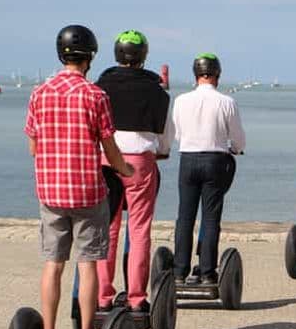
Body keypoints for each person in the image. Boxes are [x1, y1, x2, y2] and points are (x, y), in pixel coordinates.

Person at [24, 24, 133, 329]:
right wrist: (124, 170)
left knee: (53, 264)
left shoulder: (39, 94)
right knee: (87, 266)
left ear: (61, 55)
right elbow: (109, 148)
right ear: (89, 58)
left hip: (51, 193)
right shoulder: (95, 96)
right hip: (87, 192)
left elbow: (33, 147)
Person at [94, 30, 173, 313]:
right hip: (140, 161)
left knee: (108, 227)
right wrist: (160, 150)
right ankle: (137, 298)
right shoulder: (157, 91)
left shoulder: (101, 87)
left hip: (105, 160)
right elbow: (164, 137)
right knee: (139, 229)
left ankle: (103, 296)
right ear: (143, 57)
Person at [172, 53, 245, 285]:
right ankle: (206, 272)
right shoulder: (226, 102)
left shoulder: (181, 101)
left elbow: (177, 134)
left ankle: (179, 271)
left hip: (188, 160)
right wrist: (234, 149)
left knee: (185, 216)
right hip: (215, 161)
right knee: (211, 217)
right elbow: (238, 139)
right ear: (217, 75)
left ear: (195, 75)